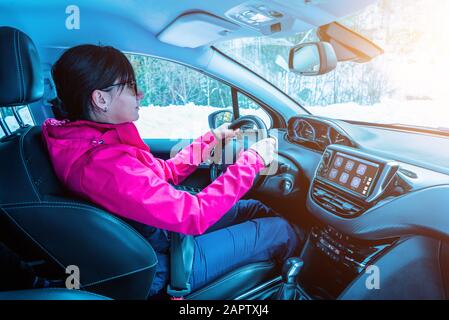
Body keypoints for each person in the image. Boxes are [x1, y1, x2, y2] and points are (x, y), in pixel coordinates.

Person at [42, 44, 299, 296]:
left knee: (254, 208)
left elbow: (163, 173)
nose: (139, 93)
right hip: (164, 267)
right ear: (101, 99)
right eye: (130, 86)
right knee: (280, 231)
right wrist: (252, 159)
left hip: (159, 236)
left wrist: (211, 140)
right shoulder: (102, 165)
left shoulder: (94, 140)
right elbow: (194, 215)